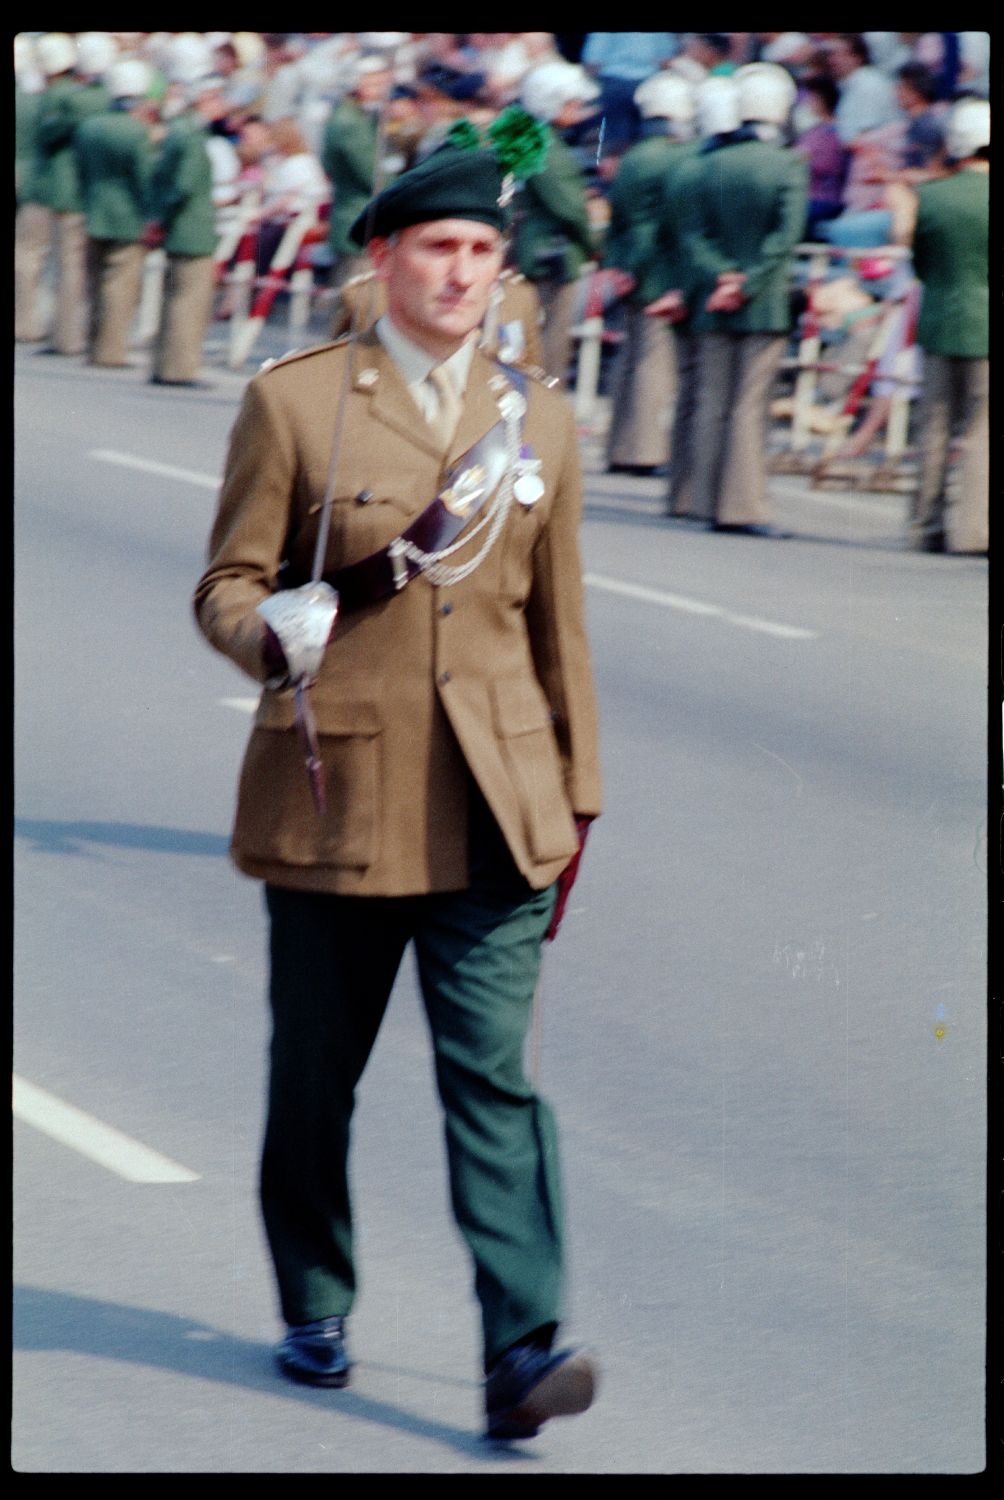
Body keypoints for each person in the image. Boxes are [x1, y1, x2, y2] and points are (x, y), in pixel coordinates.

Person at [192, 140, 602, 1443]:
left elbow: (561, 628)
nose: (465, 273)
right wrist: (276, 632)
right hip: (339, 802)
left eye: (484, 253)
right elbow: (226, 586)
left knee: (496, 1084)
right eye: (441, 248)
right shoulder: (302, 403)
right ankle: (316, 1295)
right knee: (318, 1077)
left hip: (495, 805)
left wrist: (578, 796)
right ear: (385, 257)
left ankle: (522, 1349)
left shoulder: (537, 417)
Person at [680, 65, 808, 536]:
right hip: (763, 300)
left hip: (716, 296)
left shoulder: (711, 163)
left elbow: (695, 235)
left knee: (714, 399)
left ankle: (703, 499)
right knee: (749, 406)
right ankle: (742, 506)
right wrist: (749, 282)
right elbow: (785, 236)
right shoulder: (788, 164)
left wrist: (723, 276)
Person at [894, 97, 989, 555]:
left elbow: (921, 264)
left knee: (932, 428)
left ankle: (924, 524)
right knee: (982, 432)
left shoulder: (931, 195)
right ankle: (973, 530)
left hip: (939, 320)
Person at [602, 71, 698, 475]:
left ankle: (622, 446)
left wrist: (620, 266)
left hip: (634, 264)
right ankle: (643, 450)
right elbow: (654, 227)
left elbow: (621, 220)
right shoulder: (678, 156)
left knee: (630, 361)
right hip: (659, 269)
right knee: (651, 364)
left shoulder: (635, 156)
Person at [14, 32, 112, 352]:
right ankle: (68, 335)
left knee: (30, 257)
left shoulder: (49, 97)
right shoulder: (97, 97)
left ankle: (28, 324)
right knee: (70, 265)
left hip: (44, 186)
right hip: (78, 189)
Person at [515, 60, 601, 385]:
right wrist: (594, 244)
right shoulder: (548, 147)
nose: (577, 108)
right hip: (554, 255)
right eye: (570, 102)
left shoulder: (541, 139)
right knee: (550, 347)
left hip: (543, 251)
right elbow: (569, 209)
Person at [75, 58, 159, 368]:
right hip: (127, 215)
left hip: (95, 208)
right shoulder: (137, 132)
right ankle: (110, 352)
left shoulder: (90, 127)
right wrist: (150, 215)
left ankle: (92, 344)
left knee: (95, 283)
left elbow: (81, 171)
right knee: (119, 287)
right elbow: (144, 178)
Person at [145, 74, 228, 386]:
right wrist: (163, 218)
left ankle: (165, 364)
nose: (222, 105)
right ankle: (179, 369)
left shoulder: (179, 130)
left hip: (179, 226)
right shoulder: (193, 135)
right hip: (192, 227)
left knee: (174, 298)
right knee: (190, 301)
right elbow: (184, 185)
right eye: (217, 98)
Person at [320, 53, 397, 290]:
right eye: (373, 82)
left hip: (355, 216)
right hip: (357, 218)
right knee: (358, 303)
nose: (382, 89)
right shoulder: (350, 123)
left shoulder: (357, 116)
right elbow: (374, 177)